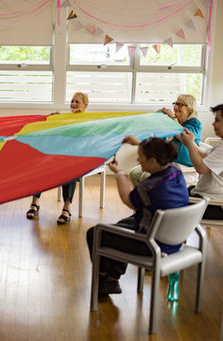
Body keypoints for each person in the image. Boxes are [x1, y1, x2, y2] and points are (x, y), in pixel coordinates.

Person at [86, 137, 188, 295]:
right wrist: (139, 144)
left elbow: (127, 199)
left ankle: (104, 279)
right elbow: (157, 153)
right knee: (121, 224)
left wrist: (119, 172)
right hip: (173, 239)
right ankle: (112, 279)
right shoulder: (176, 171)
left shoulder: (148, 187)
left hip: (152, 245)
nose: (138, 160)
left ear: (153, 160)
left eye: (141, 156)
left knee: (95, 233)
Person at [26, 92, 89, 225]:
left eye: (77, 101)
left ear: (85, 105)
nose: (73, 104)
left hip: (79, 158)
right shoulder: (66, 118)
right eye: (72, 101)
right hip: (60, 155)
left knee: (70, 169)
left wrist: (75, 118)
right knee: (39, 165)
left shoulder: (89, 120)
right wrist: (52, 120)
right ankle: (35, 203)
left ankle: (66, 209)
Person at [128, 94, 202, 186]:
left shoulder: (195, 123)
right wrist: (157, 118)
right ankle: (144, 199)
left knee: (147, 176)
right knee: (134, 174)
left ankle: (156, 199)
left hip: (184, 165)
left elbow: (181, 136)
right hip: (168, 162)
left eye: (180, 105)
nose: (175, 107)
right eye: (175, 104)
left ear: (190, 108)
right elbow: (159, 140)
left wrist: (173, 118)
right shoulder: (172, 122)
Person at [179, 104, 223, 220]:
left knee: (165, 199)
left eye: (217, 120)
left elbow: (201, 168)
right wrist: (192, 142)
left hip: (214, 204)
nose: (213, 124)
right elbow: (206, 156)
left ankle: (167, 236)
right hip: (203, 196)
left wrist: (189, 145)